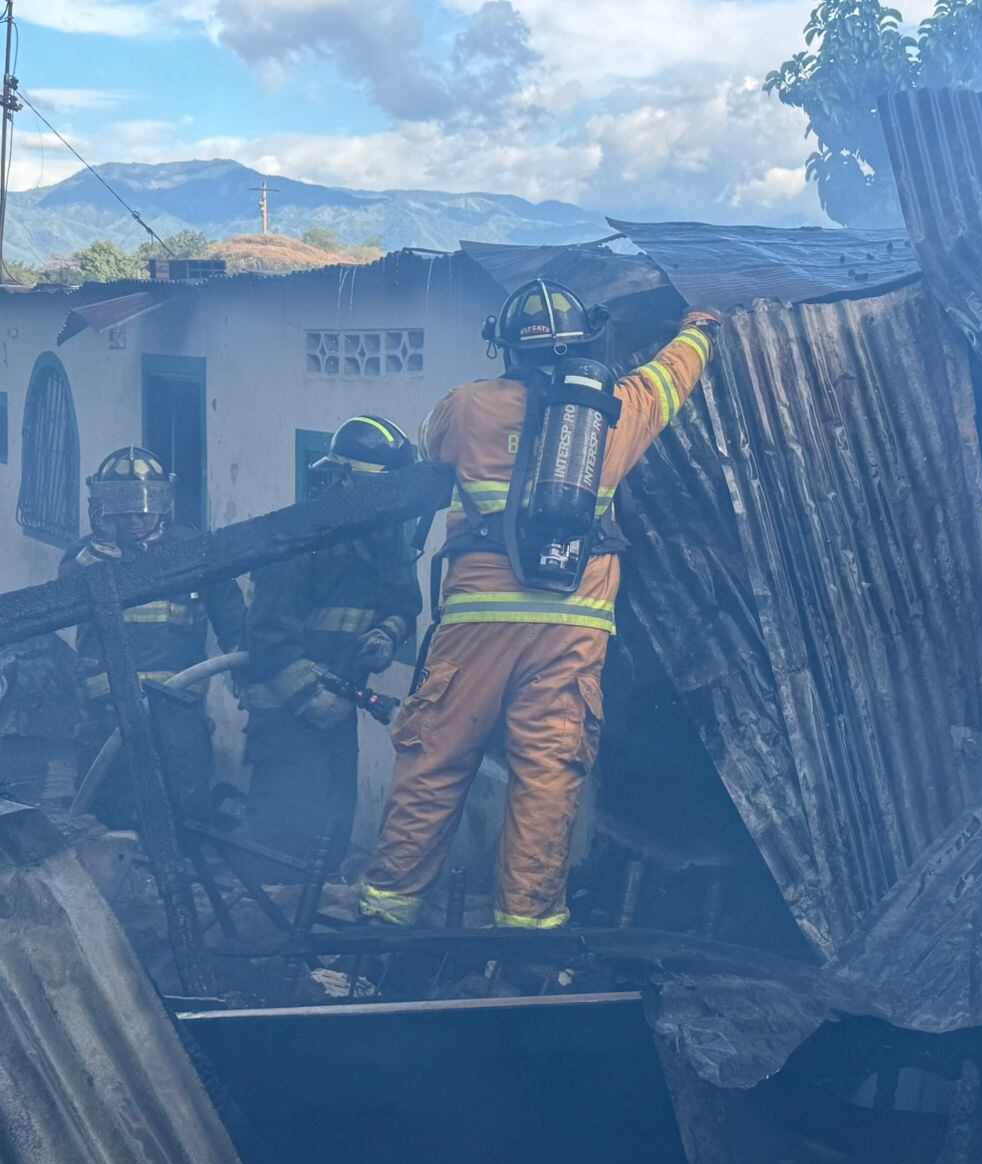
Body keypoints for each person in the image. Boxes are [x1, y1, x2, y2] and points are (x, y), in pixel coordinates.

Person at [359, 280, 718, 929]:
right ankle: (526, 930)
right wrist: (699, 326)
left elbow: (426, 451)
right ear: (582, 341)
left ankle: (387, 911)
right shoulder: (620, 405)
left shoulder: (465, 407)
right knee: (548, 770)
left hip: (479, 621)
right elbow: (672, 377)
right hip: (574, 620)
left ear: (503, 346)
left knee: (436, 754)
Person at [241, 415, 422, 874]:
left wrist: (388, 634)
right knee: (283, 837)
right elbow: (266, 632)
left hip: (337, 711)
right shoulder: (299, 538)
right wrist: (309, 696)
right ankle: (268, 930)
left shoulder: (384, 543)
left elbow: (405, 604)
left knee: (330, 830)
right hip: (286, 716)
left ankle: (309, 925)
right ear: (339, 480)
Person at [59, 447, 246, 825]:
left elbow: (230, 614)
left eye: (144, 507)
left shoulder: (192, 549)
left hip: (178, 700)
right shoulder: (86, 555)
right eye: (122, 508)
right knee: (107, 798)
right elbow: (68, 592)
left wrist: (245, 662)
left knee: (186, 788)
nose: (134, 518)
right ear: (103, 508)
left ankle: (188, 861)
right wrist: (103, 547)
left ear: (165, 503)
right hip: (108, 702)